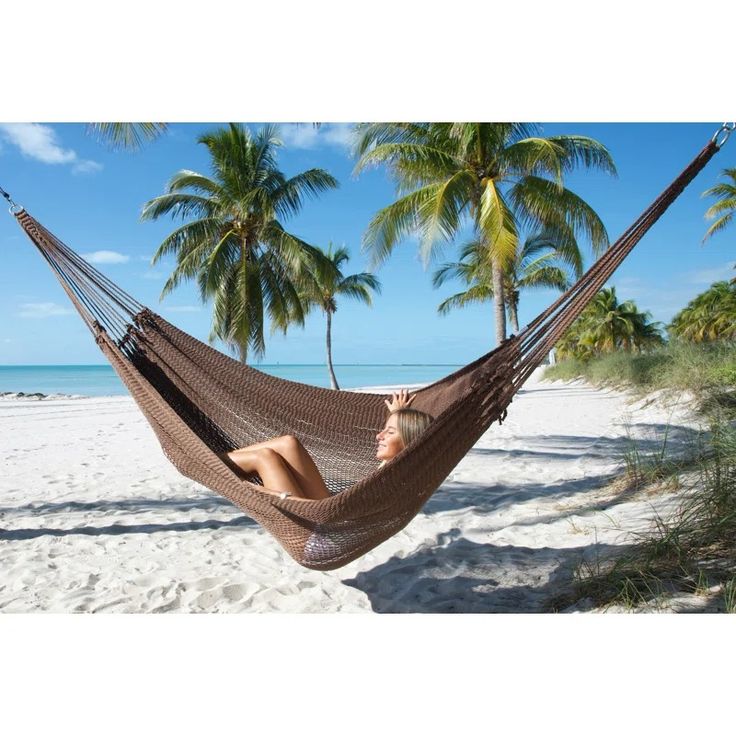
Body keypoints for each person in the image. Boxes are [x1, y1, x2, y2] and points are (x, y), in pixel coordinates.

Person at [220, 389, 433, 501]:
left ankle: (208, 461)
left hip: (318, 526)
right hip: (327, 506)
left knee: (264, 457)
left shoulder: (396, 476)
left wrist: (265, 493)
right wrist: (397, 415)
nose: (379, 436)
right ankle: (211, 458)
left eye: (390, 432)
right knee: (288, 443)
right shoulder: (395, 465)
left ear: (409, 442)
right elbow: (408, 438)